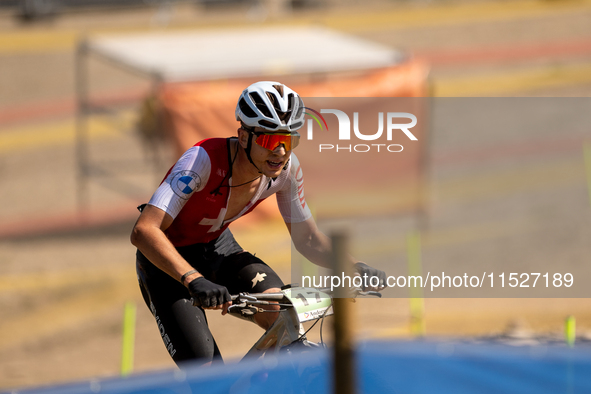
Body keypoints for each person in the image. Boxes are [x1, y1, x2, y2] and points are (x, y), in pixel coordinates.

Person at [130, 81, 386, 366]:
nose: (279, 151)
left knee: (284, 312)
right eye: (268, 140)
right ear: (243, 136)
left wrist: (353, 266)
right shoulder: (201, 160)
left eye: (288, 141)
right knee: (207, 372)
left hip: (217, 248)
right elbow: (144, 230)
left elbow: (309, 239)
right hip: (167, 264)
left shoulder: (287, 170)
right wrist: (192, 278)